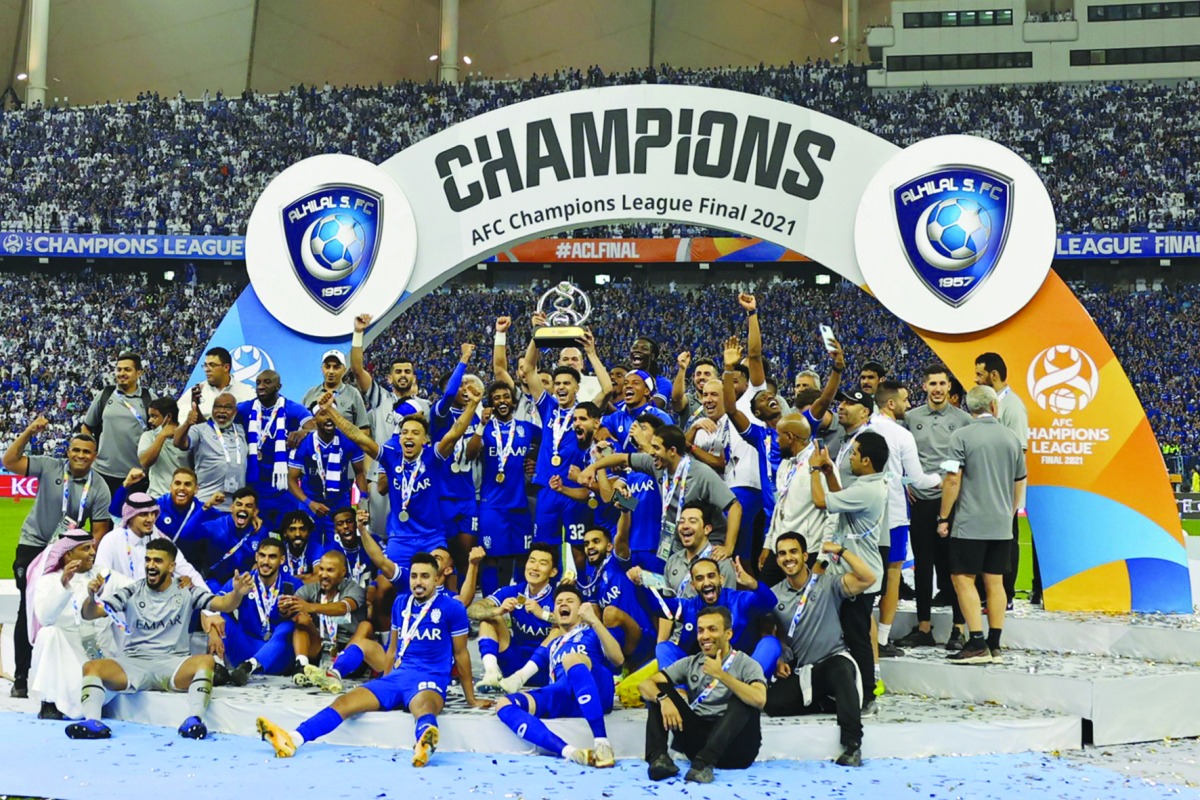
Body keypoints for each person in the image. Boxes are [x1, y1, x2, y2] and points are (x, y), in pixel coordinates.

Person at [255, 552, 484, 766]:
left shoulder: (452, 608)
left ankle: (423, 745)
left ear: (436, 580)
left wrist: (471, 699)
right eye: (414, 576)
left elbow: (461, 654)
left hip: (430, 678)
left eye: (425, 576)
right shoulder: (401, 603)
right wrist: (384, 683)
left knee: (424, 707)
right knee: (344, 703)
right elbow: (393, 649)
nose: (418, 582)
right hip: (397, 677)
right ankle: (293, 739)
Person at [65, 538, 253, 740]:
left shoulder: (186, 590)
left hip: (173, 664)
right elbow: (90, 614)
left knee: (206, 661)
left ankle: (194, 721)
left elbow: (223, 604)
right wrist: (92, 597)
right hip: (134, 663)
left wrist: (237, 594)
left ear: (172, 566)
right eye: (147, 560)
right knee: (91, 668)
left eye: (157, 561)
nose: (150, 566)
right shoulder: (132, 590)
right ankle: (93, 722)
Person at [4, 419, 113, 698]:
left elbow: (98, 532)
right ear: (68, 451)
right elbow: (10, 460)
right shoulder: (50, 466)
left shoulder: (98, 487)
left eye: (86, 452)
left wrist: (86, 557)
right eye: (75, 450)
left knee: (63, 607)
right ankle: (21, 677)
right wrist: (29, 431)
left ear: (95, 456)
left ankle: (63, 671)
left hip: (67, 551)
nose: (80, 455)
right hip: (34, 545)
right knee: (28, 607)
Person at [766, 532, 876, 767]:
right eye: (782, 553)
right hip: (806, 671)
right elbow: (777, 634)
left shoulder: (828, 583)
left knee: (841, 669)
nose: (788, 558)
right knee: (773, 703)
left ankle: (853, 745)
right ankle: (826, 703)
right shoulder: (774, 595)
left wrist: (840, 551)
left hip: (834, 659)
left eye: (794, 552)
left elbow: (868, 579)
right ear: (777, 560)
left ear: (805, 555)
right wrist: (779, 658)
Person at [940, 385, 1027, 664]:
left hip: (970, 522)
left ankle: (976, 641)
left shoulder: (960, 436)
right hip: (1001, 522)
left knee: (963, 579)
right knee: (995, 581)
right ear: (993, 406)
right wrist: (1010, 511)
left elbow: (953, 479)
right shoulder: (1012, 438)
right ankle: (995, 642)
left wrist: (943, 516)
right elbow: (1019, 481)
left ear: (970, 408)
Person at [492, 584, 622, 767]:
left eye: (570, 601)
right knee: (503, 704)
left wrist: (595, 621)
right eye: (559, 602)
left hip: (598, 689)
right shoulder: (553, 645)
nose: (563, 604)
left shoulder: (593, 631)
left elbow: (618, 659)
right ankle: (570, 752)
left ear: (581, 609)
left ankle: (602, 744)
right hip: (567, 696)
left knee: (572, 660)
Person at [639, 605, 767, 783]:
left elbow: (760, 699)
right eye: (700, 630)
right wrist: (663, 699)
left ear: (728, 634)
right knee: (659, 689)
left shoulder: (747, 664)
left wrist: (720, 674)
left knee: (745, 698)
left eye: (712, 629)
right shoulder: (691, 662)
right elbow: (645, 684)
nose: (705, 636)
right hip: (699, 744)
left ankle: (704, 763)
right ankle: (659, 760)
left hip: (737, 748)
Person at [809, 430, 889, 708]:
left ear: (866, 460)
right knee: (855, 634)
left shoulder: (867, 489)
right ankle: (859, 688)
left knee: (857, 638)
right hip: (859, 571)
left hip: (859, 575)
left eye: (854, 453)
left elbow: (822, 502)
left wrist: (814, 470)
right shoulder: (868, 485)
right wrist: (830, 473)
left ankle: (866, 693)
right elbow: (842, 497)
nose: (851, 458)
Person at [520, 318, 612, 557]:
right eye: (558, 383)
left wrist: (590, 352)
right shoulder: (548, 406)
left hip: (575, 486)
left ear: (576, 388)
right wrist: (537, 337)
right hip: (547, 487)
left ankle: (581, 589)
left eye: (567, 383)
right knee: (544, 549)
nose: (560, 387)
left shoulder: (585, 412)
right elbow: (529, 369)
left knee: (579, 549)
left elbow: (608, 389)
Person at [581, 425, 742, 561]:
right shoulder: (656, 465)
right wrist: (593, 467)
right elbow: (622, 458)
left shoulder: (701, 474)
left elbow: (735, 507)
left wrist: (728, 547)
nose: (651, 452)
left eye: (656, 448)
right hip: (676, 541)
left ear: (672, 451)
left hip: (706, 542)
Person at [897, 364, 973, 650]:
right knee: (922, 566)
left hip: (951, 504)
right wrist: (906, 483)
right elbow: (898, 458)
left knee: (954, 566)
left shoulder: (963, 420)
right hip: (921, 502)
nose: (938, 389)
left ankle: (959, 629)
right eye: (933, 384)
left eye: (943, 384)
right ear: (924, 386)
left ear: (950, 388)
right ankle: (924, 627)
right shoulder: (911, 418)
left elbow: (969, 462)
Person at [869, 380, 941, 657]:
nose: (908, 405)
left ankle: (862, 635)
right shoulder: (901, 435)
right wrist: (944, 476)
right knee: (892, 573)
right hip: (894, 515)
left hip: (864, 516)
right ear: (891, 403)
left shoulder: (863, 429)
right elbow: (921, 480)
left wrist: (906, 481)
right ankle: (883, 639)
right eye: (905, 400)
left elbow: (901, 476)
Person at [350, 313, 430, 543]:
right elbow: (357, 369)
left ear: (414, 376)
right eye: (398, 372)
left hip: (414, 478)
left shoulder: (424, 407)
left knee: (411, 533)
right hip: (382, 476)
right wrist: (358, 333)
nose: (403, 375)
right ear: (389, 377)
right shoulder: (380, 398)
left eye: (407, 371)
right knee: (380, 534)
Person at [29, 531, 115, 720]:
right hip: (64, 654)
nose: (93, 552)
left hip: (96, 651)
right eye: (86, 548)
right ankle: (49, 702)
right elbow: (45, 617)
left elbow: (130, 587)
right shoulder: (49, 581)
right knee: (48, 633)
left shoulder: (103, 575)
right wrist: (63, 585)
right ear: (68, 554)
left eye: (92, 547)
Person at [465, 380, 540, 596]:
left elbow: (549, 444)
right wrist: (480, 424)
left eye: (506, 396)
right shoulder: (485, 428)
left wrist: (534, 460)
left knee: (523, 556)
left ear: (513, 401)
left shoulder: (526, 429)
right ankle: (491, 603)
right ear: (491, 403)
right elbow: (470, 454)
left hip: (519, 504)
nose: (502, 401)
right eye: (496, 398)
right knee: (489, 556)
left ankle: (519, 604)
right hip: (492, 506)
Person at [655, 556, 780, 678]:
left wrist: (752, 583)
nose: (706, 582)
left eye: (711, 576)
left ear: (721, 579)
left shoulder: (740, 600)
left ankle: (747, 689)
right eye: (699, 578)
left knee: (770, 644)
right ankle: (680, 693)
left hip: (740, 673)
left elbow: (770, 602)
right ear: (693, 585)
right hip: (701, 675)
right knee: (664, 648)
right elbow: (656, 605)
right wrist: (640, 584)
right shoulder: (688, 606)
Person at [975, 352, 1031, 604]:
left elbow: (1019, 452)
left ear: (993, 375)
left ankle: (1006, 593)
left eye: (979, 374)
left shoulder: (1013, 407)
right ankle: (989, 593)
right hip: (985, 487)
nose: (975, 380)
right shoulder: (989, 404)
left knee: (1007, 541)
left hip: (1003, 489)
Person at [210, 535, 300, 685]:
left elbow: (306, 618)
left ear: (282, 560)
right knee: (220, 614)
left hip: (276, 657)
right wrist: (236, 594)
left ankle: (249, 666)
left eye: (272, 557)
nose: (266, 562)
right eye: (262, 556)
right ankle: (219, 667)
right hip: (245, 649)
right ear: (256, 557)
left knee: (290, 625)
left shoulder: (293, 584)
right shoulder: (243, 580)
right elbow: (211, 606)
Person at [470, 543, 558, 691]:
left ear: (553, 572)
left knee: (559, 629)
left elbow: (576, 622)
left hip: (542, 668)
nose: (534, 567)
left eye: (542, 564)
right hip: (513, 663)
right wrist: (498, 610)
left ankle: (520, 678)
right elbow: (473, 610)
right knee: (489, 619)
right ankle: (491, 673)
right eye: (532, 561)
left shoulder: (559, 595)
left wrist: (542, 614)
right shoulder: (513, 591)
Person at [238, 369, 314, 526]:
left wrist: (304, 432)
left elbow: (314, 428)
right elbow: (220, 416)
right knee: (257, 533)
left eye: (267, 382)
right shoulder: (245, 409)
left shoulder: (292, 408)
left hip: (283, 487)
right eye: (258, 382)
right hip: (254, 485)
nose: (261, 386)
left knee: (291, 531)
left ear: (279, 386)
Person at [288, 401, 366, 550]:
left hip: (339, 503)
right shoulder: (303, 444)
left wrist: (363, 502)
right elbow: (291, 479)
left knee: (339, 549)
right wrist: (309, 503)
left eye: (332, 414)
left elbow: (360, 473)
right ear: (314, 420)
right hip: (310, 503)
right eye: (323, 414)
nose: (329, 418)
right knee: (308, 549)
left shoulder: (349, 441)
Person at [574, 526, 656, 666]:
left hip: (642, 636)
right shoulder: (593, 580)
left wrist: (625, 511)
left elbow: (622, 537)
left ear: (609, 546)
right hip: (619, 645)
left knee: (609, 613)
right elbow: (593, 618)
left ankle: (616, 668)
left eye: (596, 541)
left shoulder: (617, 562)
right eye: (586, 544)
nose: (590, 547)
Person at [284, 550, 370, 679]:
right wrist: (286, 608)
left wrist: (310, 607)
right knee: (301, 619)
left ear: (343, 572)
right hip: (319, 647)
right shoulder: (310, 589)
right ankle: (301, 666)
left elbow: (343, 607)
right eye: (321, 569)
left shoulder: (354, 589)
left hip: (347, 647)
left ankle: (339, 668)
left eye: (330, 570)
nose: (323, 575)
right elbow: (294, 606)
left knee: (366, 626)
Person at [94, 493, 208, 587]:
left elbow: (187, 570)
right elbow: (101, 577)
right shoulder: (111, 540)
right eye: (144, 514)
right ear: (130, 517)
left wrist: (211, 608)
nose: (150, 519)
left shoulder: (161, 539)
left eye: (153, 513)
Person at [82, 352, 155, 495]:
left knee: (134, 517)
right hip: (103, 473)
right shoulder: (105, 395)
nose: (121, 373)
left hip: (137, 474)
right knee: (102, 517)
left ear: (139, 373)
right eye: (119, 369)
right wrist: (89, 452)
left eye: (127, 369)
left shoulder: (148, 398)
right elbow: (86, 427)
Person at [627, 501, 735, 598]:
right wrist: (644, 578)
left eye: (692, 521)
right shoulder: (673, 561)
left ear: (707, 529)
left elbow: (729, 606)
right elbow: (668, 605)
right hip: (677, 619)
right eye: (681, 521)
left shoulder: (721, 561)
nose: (685, 526)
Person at [173, 391, 247, 512]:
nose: (222, 411)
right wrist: (187, 423)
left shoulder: (241, 430)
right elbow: (179, 442)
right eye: (218, 406)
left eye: (228, 407)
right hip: (206, 503)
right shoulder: (200, 430)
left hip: (235, 507)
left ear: (235, 412)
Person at [602, 370, 673, 453]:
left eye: (635, 383)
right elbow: (596, 430)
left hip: (650, 464)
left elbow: (669, 454)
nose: (628, 386)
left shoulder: (659, 416)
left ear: (646, 391)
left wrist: (643, 443)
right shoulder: (616, 417)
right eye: (625, 383)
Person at [301, 349, 369, 430]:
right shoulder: (310, 394)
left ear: (344, 369)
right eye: (327, 366)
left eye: (336, 367)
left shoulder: (353, 394)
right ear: (322, 368)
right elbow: (300, 425)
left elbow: (364, 429)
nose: (331, 371)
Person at [136, 396, 187, 498]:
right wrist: (161, 435)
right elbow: (144, 462)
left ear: (168, 417)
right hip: (156, 496)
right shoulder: (148, 436)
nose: (150, 420)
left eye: (154, 416)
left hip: (183, 497)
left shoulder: (188, 436)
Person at [186, 346, 255, 419]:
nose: (207, 369)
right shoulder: (196, 393)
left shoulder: (247, 392)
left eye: (212, 365)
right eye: (205, 365)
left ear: (226, 367)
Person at [670, 352, 720, 426]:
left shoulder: (724, 403)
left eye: (707, 374)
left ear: (717, 378)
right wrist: (682, 369)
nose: (701, 377)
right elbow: (676, 399)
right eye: (698, 374)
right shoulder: (689, 400)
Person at [278, 510, 323, 579]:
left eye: (302, 529)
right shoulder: (278, 550)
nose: (298, 534)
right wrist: (306, 577)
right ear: (284, 532)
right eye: (292, 529)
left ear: (308, 532)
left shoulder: (315, 549)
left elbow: (319, 577)